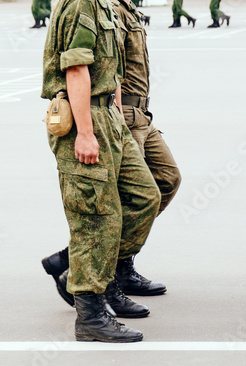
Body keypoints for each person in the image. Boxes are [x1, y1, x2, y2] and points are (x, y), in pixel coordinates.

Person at [43, 0, 180, 312]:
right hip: (103, 114)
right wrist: (87, 132)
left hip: (120, 112)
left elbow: (113, 68)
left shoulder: (114, 5)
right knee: (105, 211)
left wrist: (115, 112)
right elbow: (77, 67)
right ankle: (94, 283)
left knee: (153, 189)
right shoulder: (86, 5)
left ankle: (85, 266)